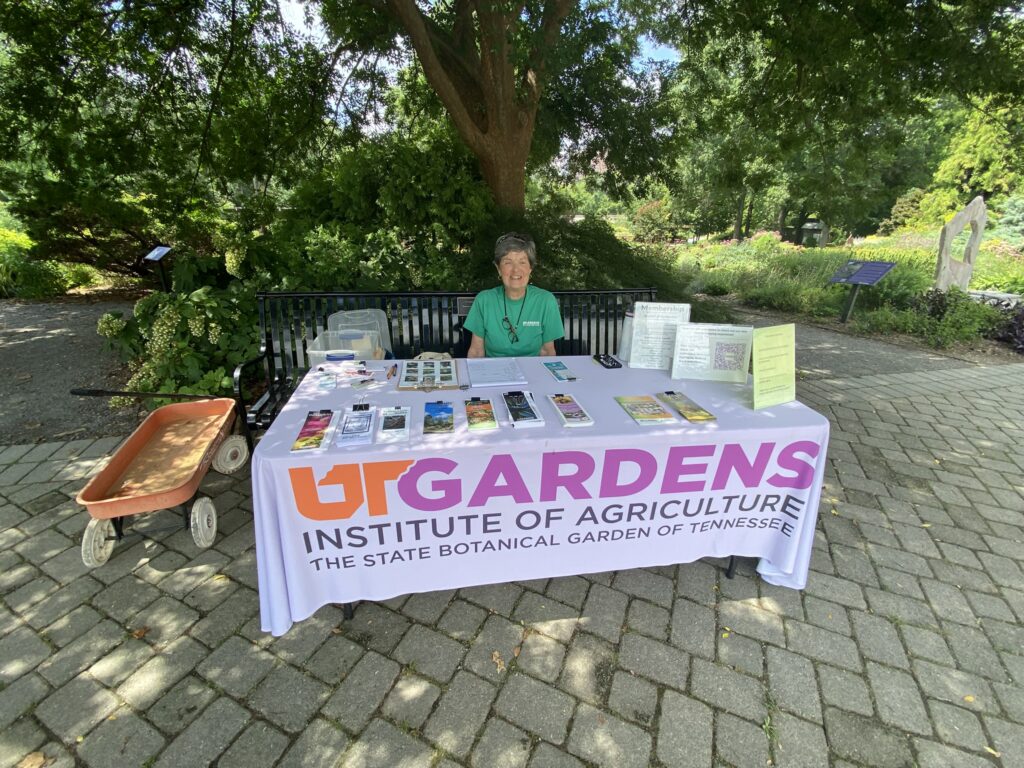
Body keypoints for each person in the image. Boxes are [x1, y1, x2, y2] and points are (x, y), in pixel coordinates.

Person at [464, 232, 563, 358]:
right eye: (508, 262)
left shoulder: (546, 301)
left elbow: (547, 351)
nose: (516, 270)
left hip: (532, 372)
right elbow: (477, 351)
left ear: (530, 268)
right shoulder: (484, 300)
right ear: (498, 269)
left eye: (522, 262)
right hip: (494, 372)